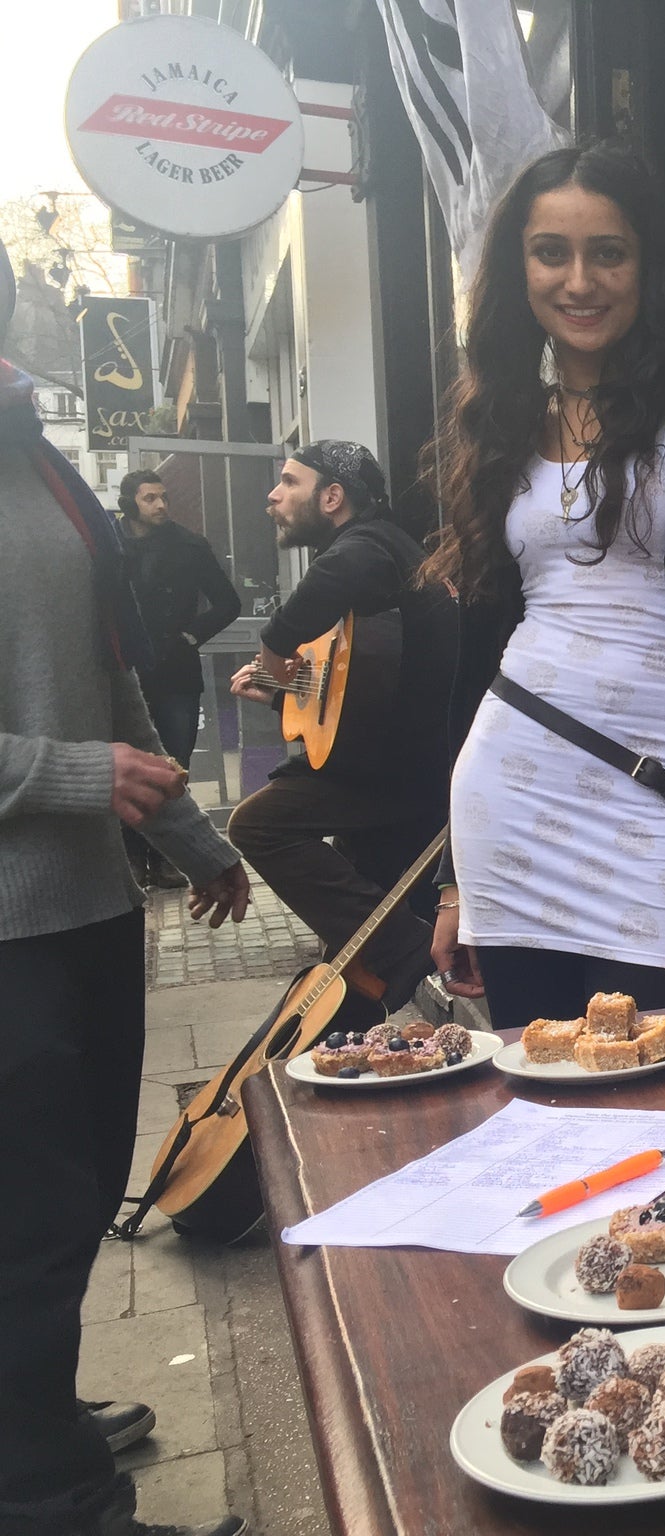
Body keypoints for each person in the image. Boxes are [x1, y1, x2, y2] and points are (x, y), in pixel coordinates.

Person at [422, 142, 665, 1028]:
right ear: (520, 269)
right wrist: (449, 879)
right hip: (509, 803)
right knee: (539, 1096)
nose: (579, 281)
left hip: (662, 817)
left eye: (608, 253)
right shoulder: (500, 427)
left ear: (646, 267)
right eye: (552, 252)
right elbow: (477, 660)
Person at [0, 245, 250, 1536]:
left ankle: (32, 1411)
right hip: (8, 931)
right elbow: (88, 741)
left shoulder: (37, 455)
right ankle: (49, 1499)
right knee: (29, 1223)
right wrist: (70, 773)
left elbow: (118, 684)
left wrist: (196, 836)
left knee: (80, 1194)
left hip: (89, 906)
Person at [224, 442, 456, 1016]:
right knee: (348, 957)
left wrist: (276, 656)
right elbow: (359, 694)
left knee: (256, 825)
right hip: (384, 764)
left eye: (289, 482)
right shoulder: (382, 559)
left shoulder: (368, 548)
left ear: (333, 497)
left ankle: (403, 948)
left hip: (401, 776)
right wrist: (284, 694)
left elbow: (294, 622)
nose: (273, 497)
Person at [117, 468, 240, 890]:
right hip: (124, 672)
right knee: (131, 766)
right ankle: (133, 858)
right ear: (130, 502)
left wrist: (192, 635)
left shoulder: (189, 546)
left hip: (175, 671)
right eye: (150, 498)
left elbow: (229, 602)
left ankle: (166, 859)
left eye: (164, 496)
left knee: (173, 764)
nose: (161, 505)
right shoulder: (107, 544)